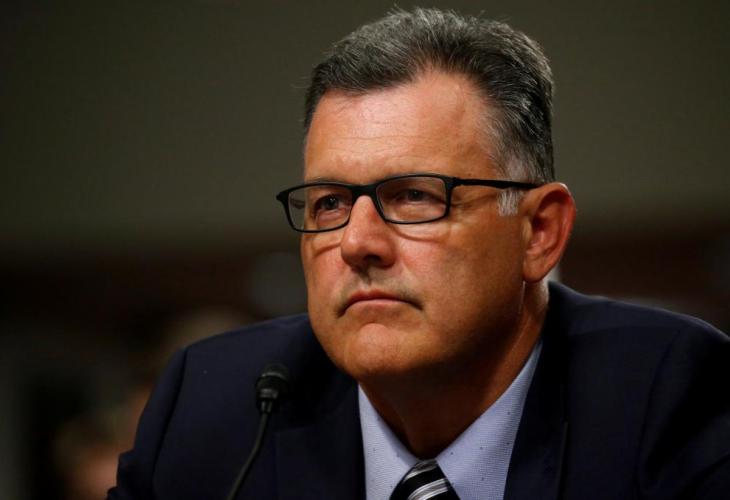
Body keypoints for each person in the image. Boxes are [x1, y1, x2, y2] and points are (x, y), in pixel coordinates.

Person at [109, 8, 730, 500]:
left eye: (413, 197)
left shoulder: (667, 399)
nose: (357, 243)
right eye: (330, 203)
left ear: (539, 232)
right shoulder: (216, 409)